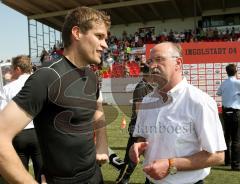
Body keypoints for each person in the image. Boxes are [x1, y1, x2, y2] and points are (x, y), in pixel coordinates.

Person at [0, 6, 110, 184]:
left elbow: (97, 109)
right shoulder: (47, 76)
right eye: (99, 36)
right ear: (77, 33)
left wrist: (102, 145)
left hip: (95, 176)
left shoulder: (90, 75)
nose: (105, 44)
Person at [129, 42, 226, 184]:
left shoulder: (200, 102)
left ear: (178, 63)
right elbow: (142, 138)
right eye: (150, 61)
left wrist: (171, 164)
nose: (152, 66)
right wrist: (138, 146)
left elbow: (217, 156)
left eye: (159, 59)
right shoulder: (147, 101)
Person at [0, 55, 42, 182]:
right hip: (39, 133)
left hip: (18, 134)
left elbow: (2, 113)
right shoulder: (40, 84)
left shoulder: (8, 88)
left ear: (18, 69)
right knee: (43, 174)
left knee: (19, 176)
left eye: (12, 69)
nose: (11, 71)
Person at [116, 63, 153, 184]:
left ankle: (148, 179)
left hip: (147, 126)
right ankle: (124, 178)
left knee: (151, 155)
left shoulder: (150, 87)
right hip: (138, 126)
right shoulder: (141, 87)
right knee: (133, 155)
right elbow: (139, 111)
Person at [217, 64, 240, 171]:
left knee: (227, 137)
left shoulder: (224, 83)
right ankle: (235, 165)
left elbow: (218, 93)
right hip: (235, 112)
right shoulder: (238, 82)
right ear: (236, 71)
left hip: (226, 112)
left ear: (227, 72)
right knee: (236, 139)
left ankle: (227, 161)